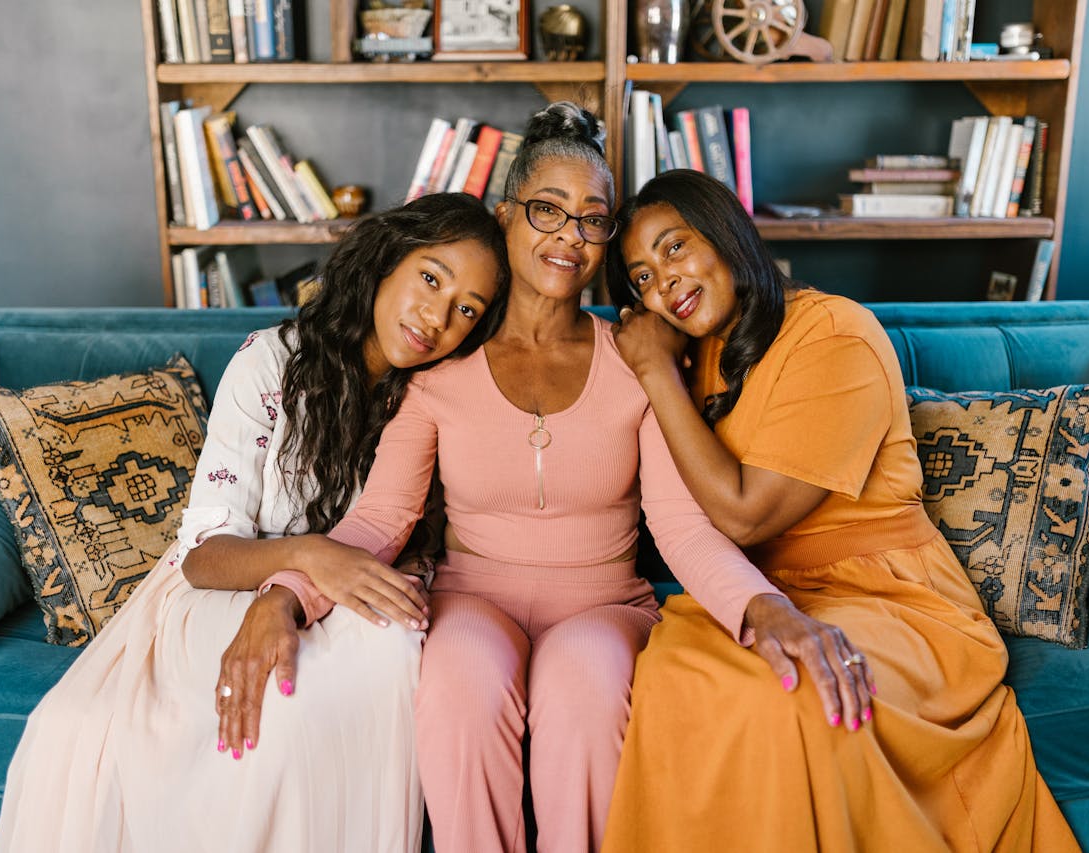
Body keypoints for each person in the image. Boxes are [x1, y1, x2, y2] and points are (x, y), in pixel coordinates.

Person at [245, 103, 784, 853]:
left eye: (593, 220)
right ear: (506, 217)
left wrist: (764, 607)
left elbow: (684, 527)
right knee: (460, 681)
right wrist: (287, 594)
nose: (570, 234)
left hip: (603, 604)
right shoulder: (440, 363)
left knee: (584, 687)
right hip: (473, 596)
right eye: (548, 210)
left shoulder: (637, 359)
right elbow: (380, 519)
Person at [0, 192, 510, 853]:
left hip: (339, 601)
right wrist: (309, 561)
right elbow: (205, 555)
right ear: (387, 260)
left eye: (467, 308)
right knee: (291, 703)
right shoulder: (271, 363)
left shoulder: (441, 396)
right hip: (217, 593)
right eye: (431, 278)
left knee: (394, 644)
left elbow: (420, 549)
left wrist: (312, 585)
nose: (437, 317)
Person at [601, 168, 1080, 852]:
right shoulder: (699, 353)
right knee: (673, 673)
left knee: (793, 693)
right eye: (641, 277)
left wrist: (652, 372)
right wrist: (666, 368)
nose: (662, 283)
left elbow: (742, 515)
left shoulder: (833, 334)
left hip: (892, 597)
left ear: (726, 235)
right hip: (767, 591)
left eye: (674, 248)